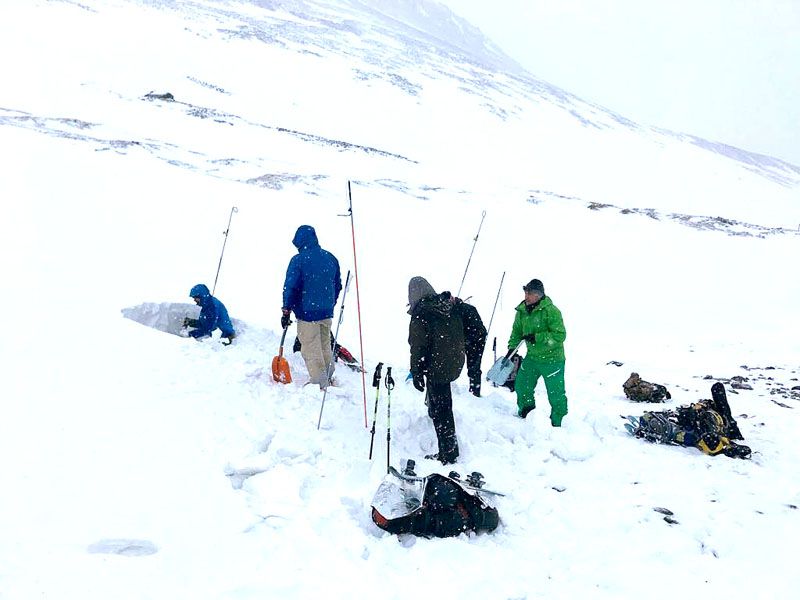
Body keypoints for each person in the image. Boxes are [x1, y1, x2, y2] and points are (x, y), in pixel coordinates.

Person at [408, 276, 484, 465]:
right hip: (453, 360)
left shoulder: (422, 313)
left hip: (438, 365)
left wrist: (416, 371)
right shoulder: (447, 305)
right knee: (441, 403)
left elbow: (417, 346)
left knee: (443, 410)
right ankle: (443, 435)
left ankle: (449, 453)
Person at [282, 225, 342, 388]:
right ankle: (328, 375)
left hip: (307, 313)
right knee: (324, 344)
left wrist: (286, 309)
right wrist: (330, 303)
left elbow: (291, 287)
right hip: (326, 312)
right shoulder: (330, 258)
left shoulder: (298, 260)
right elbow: (337, 284)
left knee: (310, 347)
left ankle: (319, 383)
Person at [628, 382, 750, 458]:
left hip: (699, 434)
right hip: (706, 430)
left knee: (681, 432)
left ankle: (656, 429)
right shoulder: (723, 417)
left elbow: (711, 441)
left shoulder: (711, 419)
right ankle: (654, 427)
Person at [507, 278, 567, 426]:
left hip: (552, 360)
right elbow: (516, 332)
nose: (526, 296)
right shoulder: (521, 311)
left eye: (529, 293)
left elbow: (560, 335)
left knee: (555, 393)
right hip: (532, 358)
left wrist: (537, 338)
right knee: (522, 385)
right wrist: (511, 349)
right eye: (525, 292)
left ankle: (558, 421)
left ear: (538, 295)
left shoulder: (551, 311)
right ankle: (527, 413)